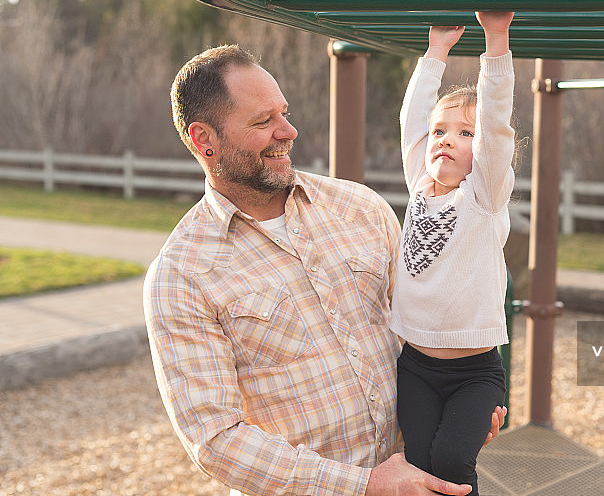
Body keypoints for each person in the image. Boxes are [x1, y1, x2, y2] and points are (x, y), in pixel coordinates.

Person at [144, 34, 506, 495]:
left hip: (418, 479)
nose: (288, 131)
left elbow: (420, 324)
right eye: (263, 120)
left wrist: (459, 412)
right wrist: (364, 485)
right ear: (204, 140)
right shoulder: (181, 275)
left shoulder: (359, 208)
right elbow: (216, 440)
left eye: (284, 113)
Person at [388, 0, 517, 496]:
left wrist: (496, 41)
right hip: (415, 365)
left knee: (451, 459)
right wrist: (435, 52)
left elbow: (498, 125)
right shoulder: (420, 184)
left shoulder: (483, 199)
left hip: (475, 373)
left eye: (465, 133)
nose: (445, 139)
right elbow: (412, 120)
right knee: (419, 463)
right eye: (442, 131)